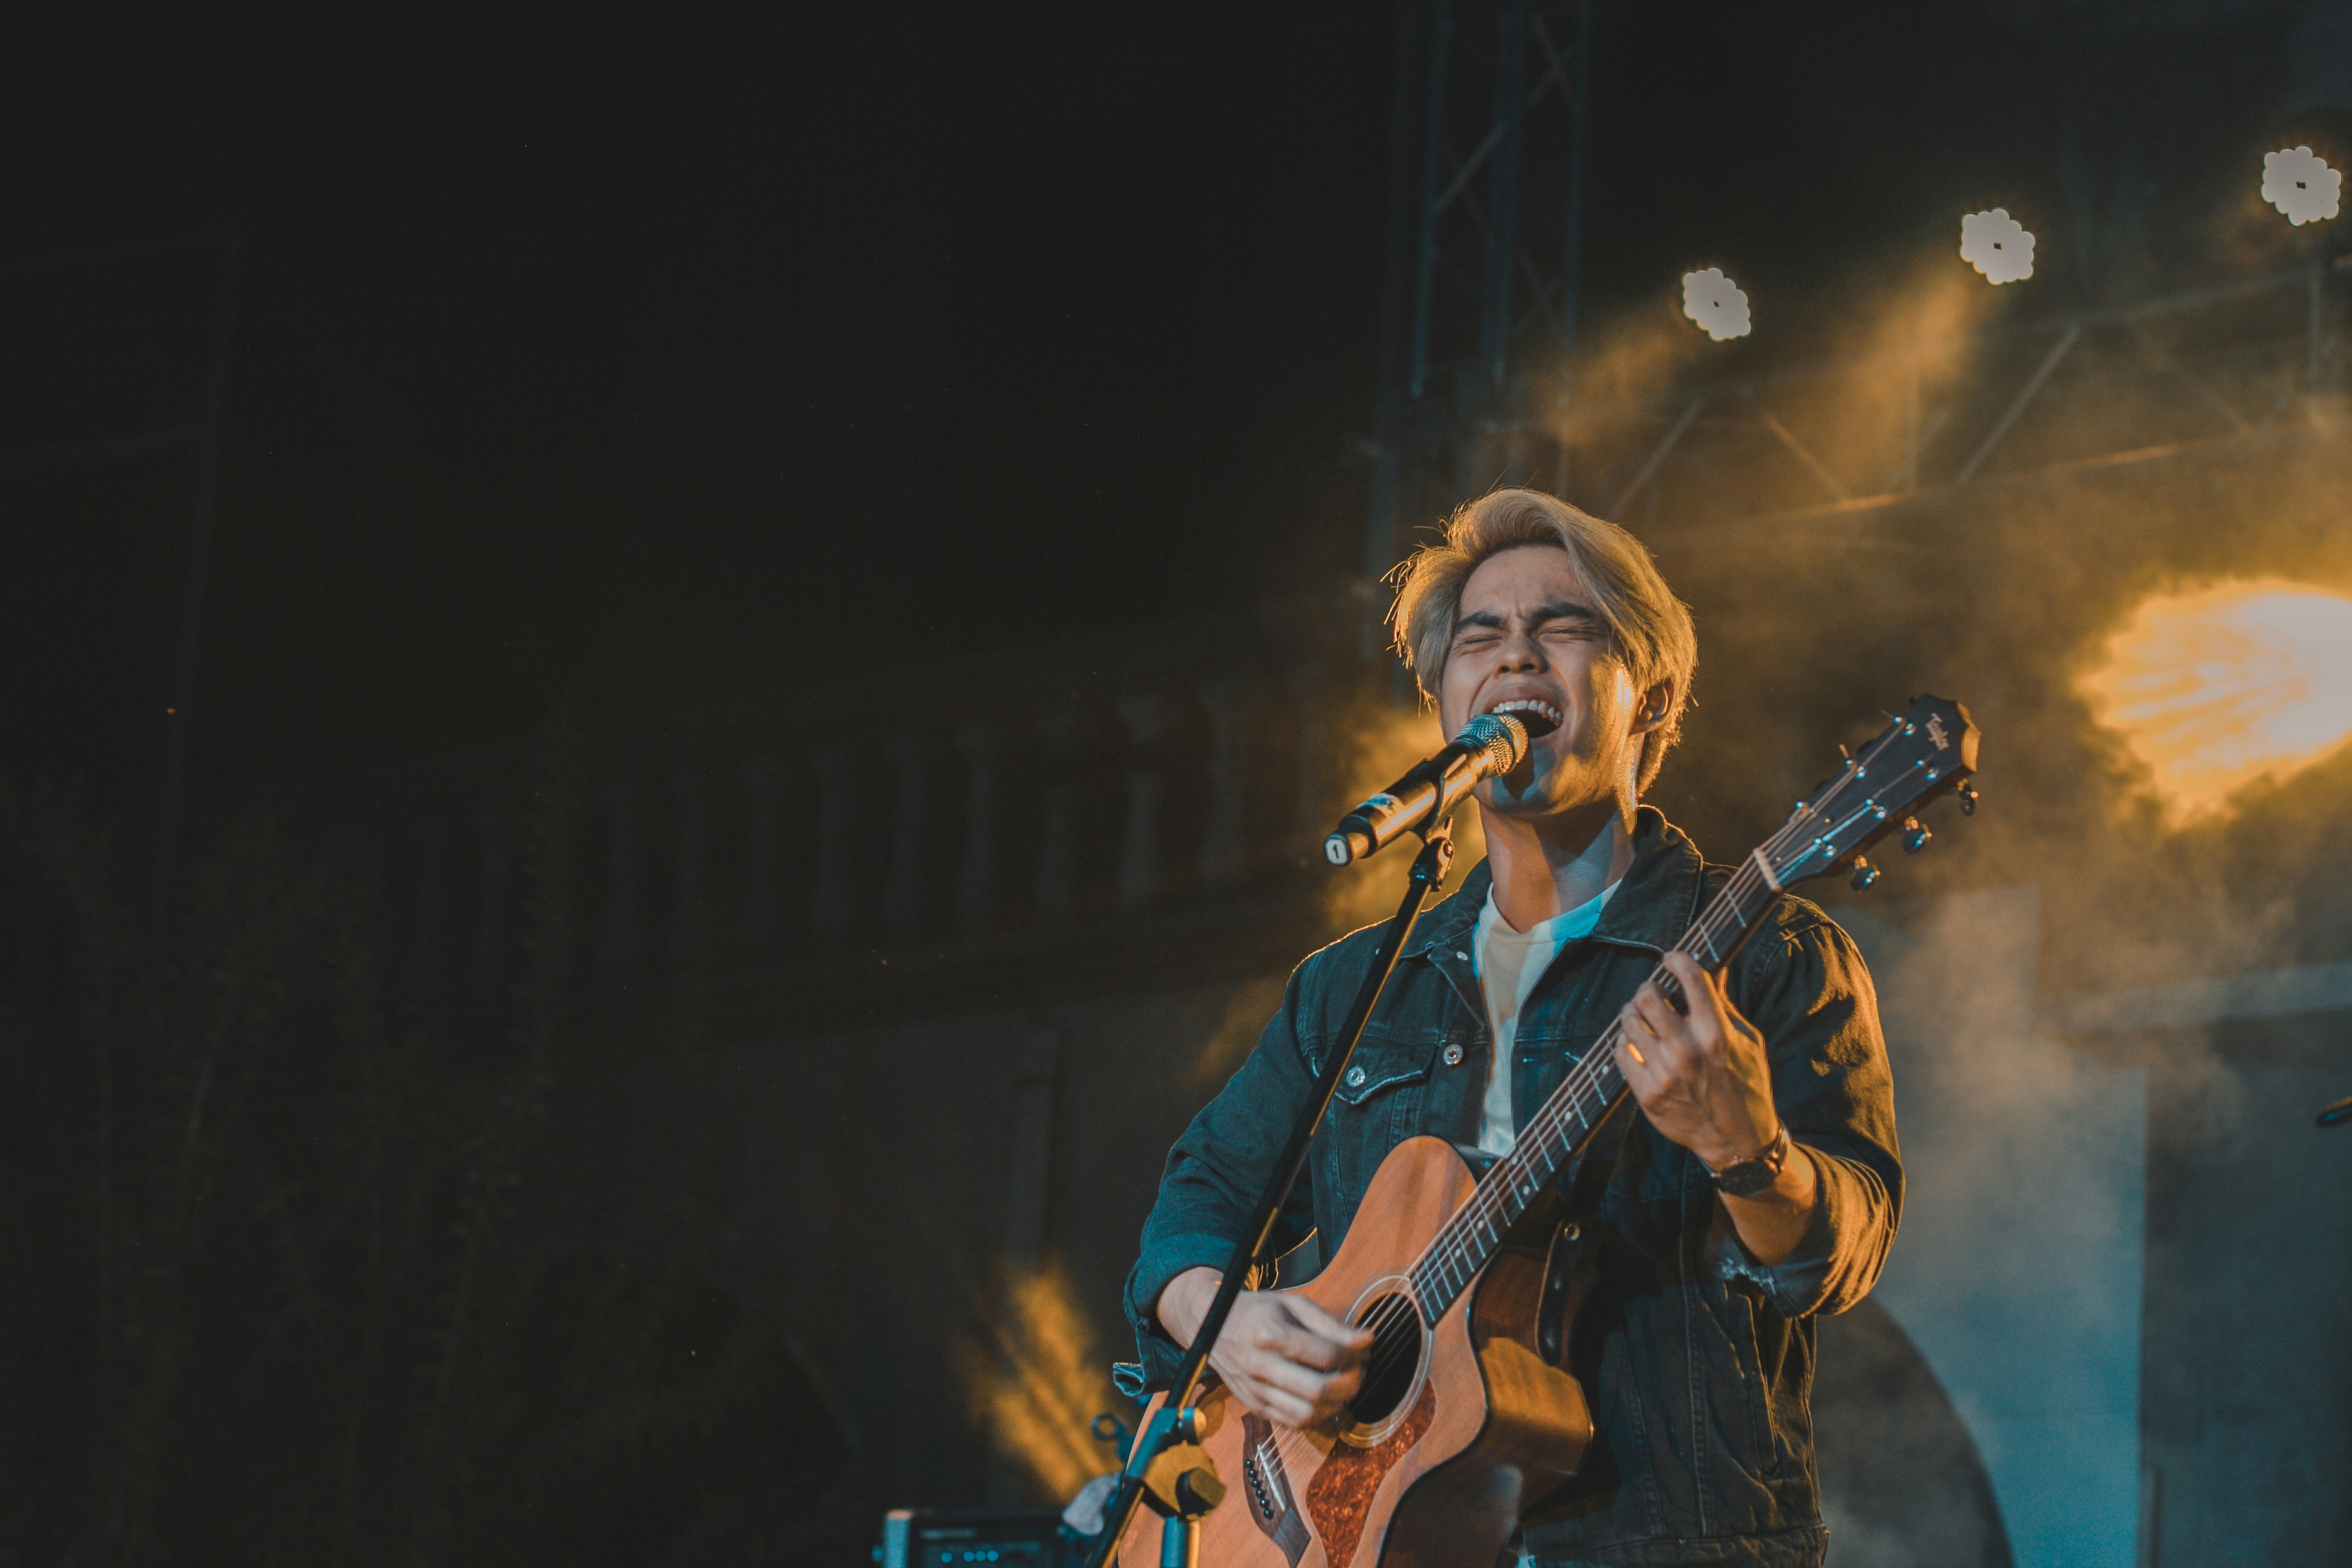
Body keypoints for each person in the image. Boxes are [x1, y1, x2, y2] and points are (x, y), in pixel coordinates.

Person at [1121, 489, 1901, 1568]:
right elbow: (1202, 1194)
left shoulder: (1762, 952)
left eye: (1563, 628)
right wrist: (1225, 1321)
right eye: (1480, 638)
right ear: (1446, 706)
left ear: (1655, 701)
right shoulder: (1359, 984)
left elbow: (1838, 1255)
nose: (1515, 658)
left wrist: (1744, 1147)